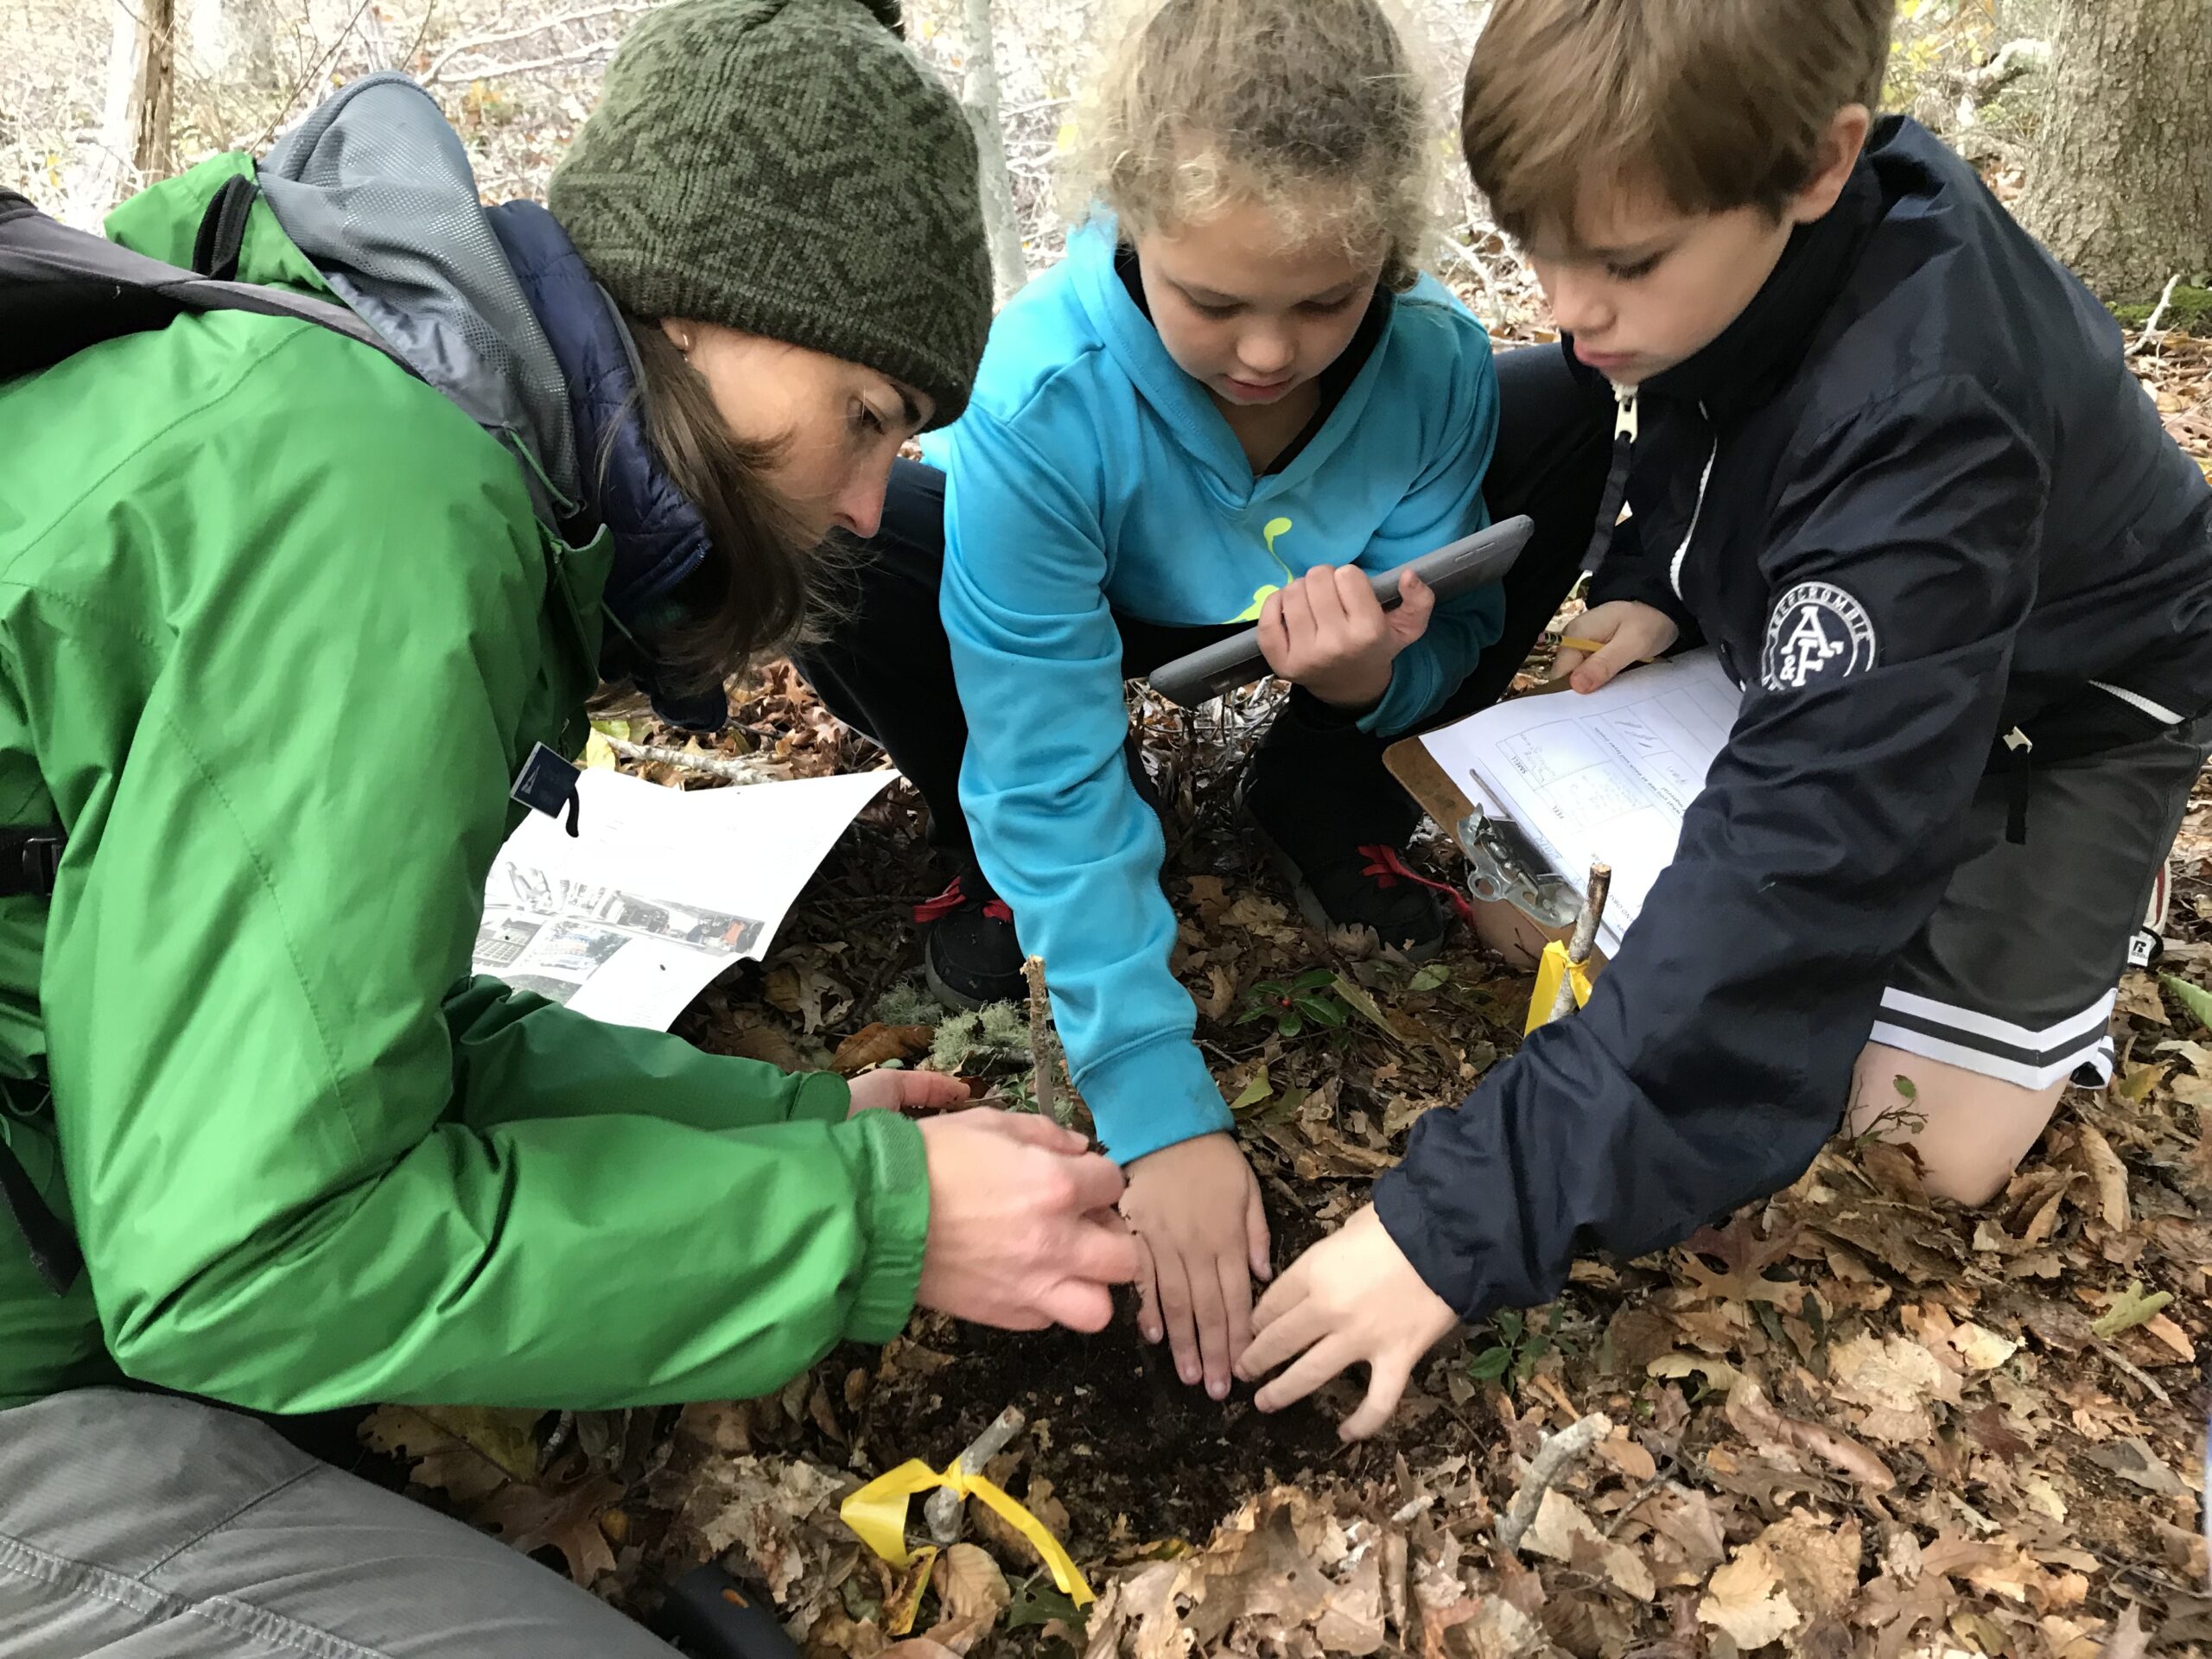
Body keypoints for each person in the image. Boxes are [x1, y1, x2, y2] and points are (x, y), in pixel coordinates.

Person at [0, 3, 1140, 1653]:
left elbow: (351, 1053)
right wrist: (884, 1226)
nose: (870, 505)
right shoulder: (374, 515)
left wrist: (799, 1140)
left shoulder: (371, 420)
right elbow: (247, 1259)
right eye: (872, 416)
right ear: (705, 312)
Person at [1238, 0, 2212, 1440]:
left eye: (1620, 264)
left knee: (1919, 1151)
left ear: (1820, 166)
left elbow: (1800, 865)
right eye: (1538, 248)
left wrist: (1452, 1221)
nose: (1569, 314)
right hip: (1838, 649)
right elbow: (1688, 412)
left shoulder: (1936, 407)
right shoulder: (1731, 237)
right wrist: (1656, 584)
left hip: (2058, 710)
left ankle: (2088, 884)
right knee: (1516, 903)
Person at [795, 0, 1616, 1403]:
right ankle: (995, 865)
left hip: (1312, 606)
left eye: (1321, 302)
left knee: (1569, 411)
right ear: (1129, 225)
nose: (1267, 356)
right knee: (838, 535)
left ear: (1385, 255)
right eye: (1212, 301)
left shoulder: (1431, 364)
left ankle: (1323, 789)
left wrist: (1375, 680)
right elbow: (1044, 744)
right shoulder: (1046, 389)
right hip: (1090, 582)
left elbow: (1452, 621)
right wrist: (1158, 1109)